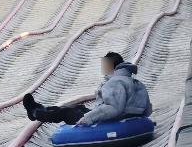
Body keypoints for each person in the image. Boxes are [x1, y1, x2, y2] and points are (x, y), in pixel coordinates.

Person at [22, 52, 152, 126]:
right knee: (79, 108)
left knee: (66, 112)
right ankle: (39, 108)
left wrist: (89, 118)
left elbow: (113, 108)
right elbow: (147, 108)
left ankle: (35, 112)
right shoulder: (135, 82)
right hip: (126, 117)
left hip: (113, 119)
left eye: (105, 65)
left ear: (112, 66)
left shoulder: (115, 83)